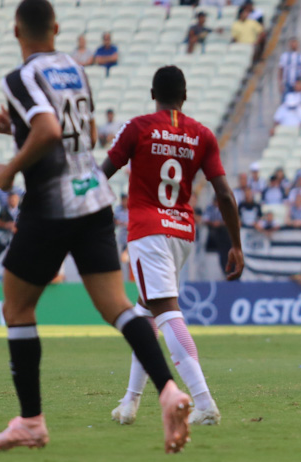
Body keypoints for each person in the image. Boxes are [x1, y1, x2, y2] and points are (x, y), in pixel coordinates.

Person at [0, 0, 191, 454]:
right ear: (56, 28)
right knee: (118, 306)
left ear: (17, 31)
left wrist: (8, 170)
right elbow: (88, 135)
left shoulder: (19, 77)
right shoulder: (75, 69)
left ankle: (32, 423)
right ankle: (170, 391)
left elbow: (49, 133)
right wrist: (15, 132)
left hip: (51, 205)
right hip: (95, 197)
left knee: (17, 309)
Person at [102, 66, 244, 426]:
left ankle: (204, 402)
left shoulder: (138, 128)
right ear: (185, 96)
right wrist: (236, 245)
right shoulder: (202, 134)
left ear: (153, 94)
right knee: (145, 314)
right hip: (182, 232)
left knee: (165, 312)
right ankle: (130, 402)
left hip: (148, 230)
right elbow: (224, 194)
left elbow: (102, 172)